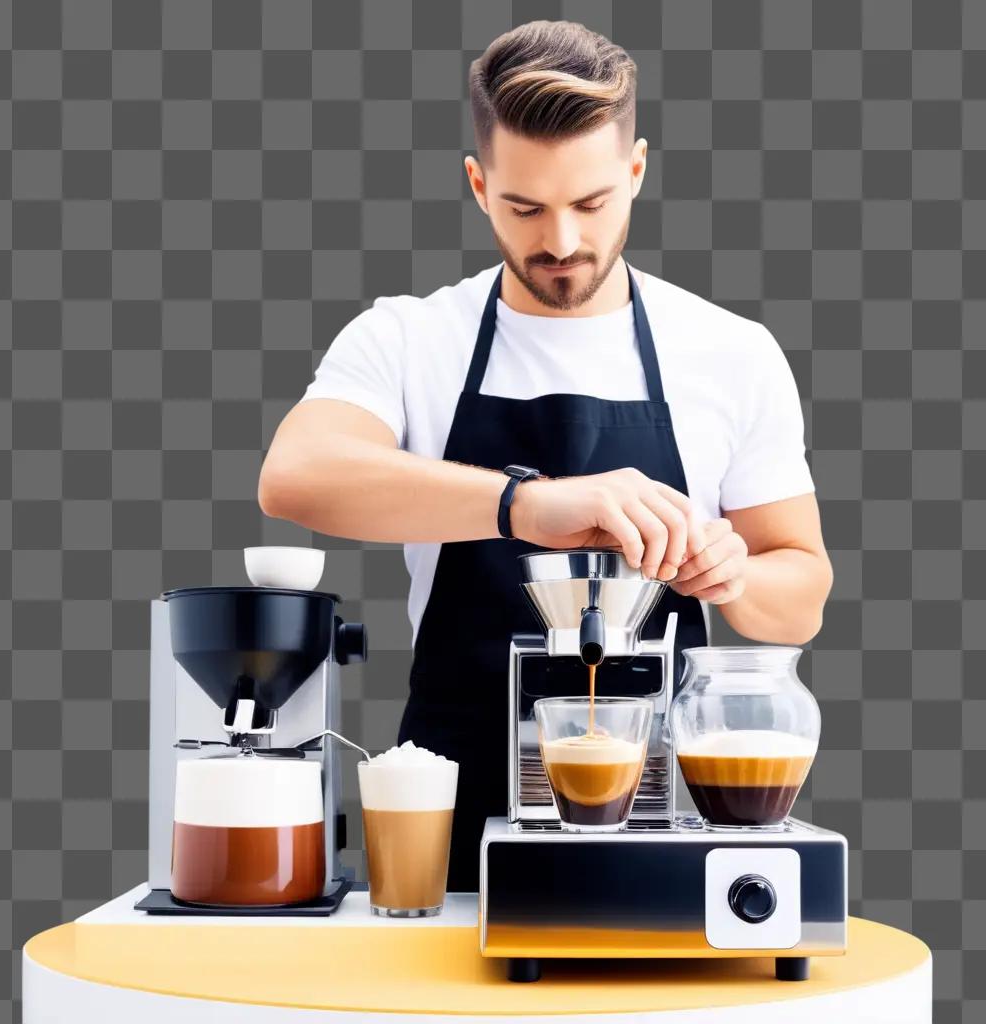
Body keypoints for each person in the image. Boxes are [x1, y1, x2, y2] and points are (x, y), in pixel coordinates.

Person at [258, 21, 833, 892]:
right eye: (525, 208)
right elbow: (295, 478)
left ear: (636, 171)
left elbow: (802, 598)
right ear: (478, 185)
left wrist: (733, 576)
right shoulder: (412, 337)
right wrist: (525, 505)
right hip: (446, 818)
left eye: (592, 203)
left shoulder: (731, 351)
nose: (561, 241)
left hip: (668, 817)